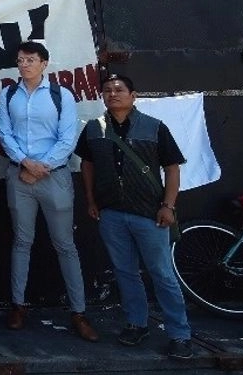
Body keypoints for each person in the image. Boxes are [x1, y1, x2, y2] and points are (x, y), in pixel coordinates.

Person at [76, 74, 193, 360]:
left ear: (133, 95)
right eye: (107, 90)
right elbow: (87, 165)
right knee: (125, 272)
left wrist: (169, 206)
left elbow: (173, 167)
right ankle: (136, 324)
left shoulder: (154, 127)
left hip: (149, 214)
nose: (113, 94)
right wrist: (92, 200)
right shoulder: (93, 129)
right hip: (112, 213)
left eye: (119, 90)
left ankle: (180, 335)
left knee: (162, 274)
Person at [0, 41, 97, 341]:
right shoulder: (8, 94)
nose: (24, 64)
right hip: (19, 176)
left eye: (30, 59)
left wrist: (42, 167)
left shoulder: (61, 95)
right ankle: (18, 305)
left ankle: (79, 311)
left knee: (65, 244)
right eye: (20, 60)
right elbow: (4, 133)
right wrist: (25, 163)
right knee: (21, 241)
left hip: (54, 177)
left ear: (44, 63)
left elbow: (68, 138)